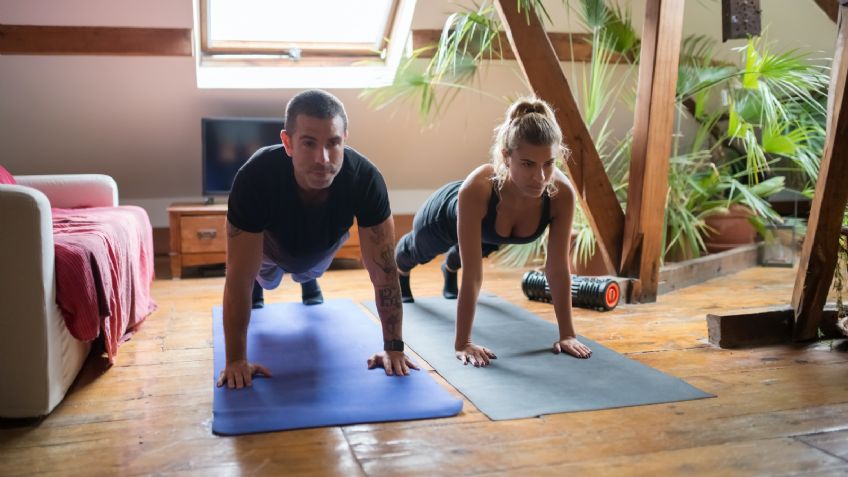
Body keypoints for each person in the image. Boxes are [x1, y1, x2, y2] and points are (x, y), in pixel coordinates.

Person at [217, 89, 418, 389]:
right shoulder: (255, 177)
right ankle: (265, 285)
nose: (322, 159)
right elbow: (237, 277)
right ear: (288, 143)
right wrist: (235, 360)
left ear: (344, 138)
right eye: (309, 143)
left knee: (308, 271)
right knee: (263, 279)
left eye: (333, 143)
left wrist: (394, 347)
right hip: (268, 253)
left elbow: (384, 272)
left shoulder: (365, 179)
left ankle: (307, 277)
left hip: (321, 249)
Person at [395, 97, 593, 366]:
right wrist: (463, 343)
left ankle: (449, 268)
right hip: (445, 216)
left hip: (489, 233)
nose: (540, 177)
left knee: (476, 249)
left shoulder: (560, 194)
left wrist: (567, 334)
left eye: (549, 163)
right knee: (418, 252)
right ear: (506, 156)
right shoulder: (477, 188)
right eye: (527, 164)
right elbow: (474, 276)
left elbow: (557, 270)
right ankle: (401, 269)